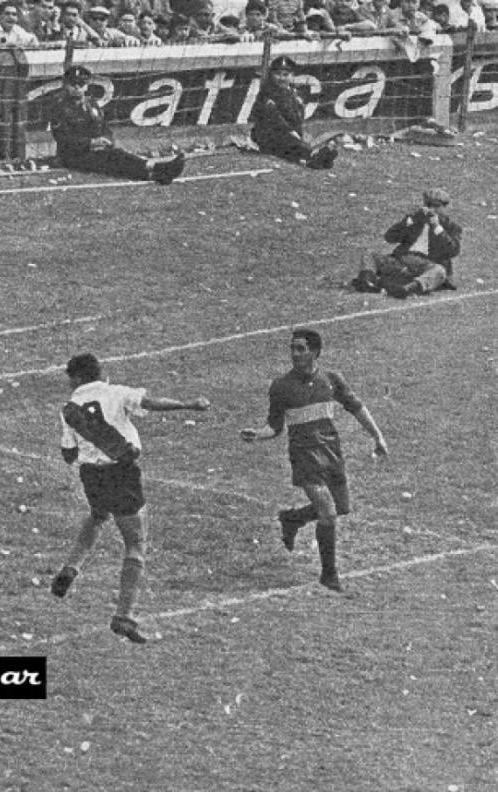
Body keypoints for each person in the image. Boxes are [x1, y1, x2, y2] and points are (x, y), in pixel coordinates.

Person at [51, 353, 210, 643]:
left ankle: (71, 567)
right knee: (135, 543)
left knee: (99, 515)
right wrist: (189, 404)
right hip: (121, 474)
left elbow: (68, 454)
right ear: (100, 373)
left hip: (91, 475)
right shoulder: (117, 392)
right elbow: (150, 403)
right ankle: (123, 616)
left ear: (76, 378)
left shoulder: (69, 409)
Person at [240, 329, 388, 593]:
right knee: (328, 513)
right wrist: (257, 435)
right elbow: (275, 427)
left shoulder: (331, 380)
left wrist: (377, 437)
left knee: (342, 507)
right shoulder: (281, 387)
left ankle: (293, 518)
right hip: (304, 456)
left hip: (331, 452)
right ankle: (329, 575)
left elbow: (356, 407)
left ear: (315, 352)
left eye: (301, 349)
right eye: (293, 349)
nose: (295, 354)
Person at [49, 65, 186, 184]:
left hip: (95, 150)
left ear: (87, 86)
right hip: (73, 156)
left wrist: (107, 140)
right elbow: (63, 139)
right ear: (66, 85)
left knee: (116, 156)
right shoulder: (60, 107)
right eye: (73, 84)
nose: (77, 88)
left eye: (81, 84)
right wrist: (92, 142)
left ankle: (157, 172)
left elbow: (104, 127)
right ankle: (158, 169)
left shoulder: (91, 103)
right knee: (114, 158)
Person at [351, 188, 462, 298]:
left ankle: (409, 288)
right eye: (429, 205)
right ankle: (367, 282)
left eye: (437, 206)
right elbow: (389, 237)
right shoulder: (415, 219)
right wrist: (411, 221)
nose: (432, 209)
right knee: (370, 254)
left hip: (426, 265)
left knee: (439, 271)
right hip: (401, 260)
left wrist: (438, 228)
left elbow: (453, 250)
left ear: (445, 208)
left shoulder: (451, 227)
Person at [250, 56, 338, 169]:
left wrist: (297, 134)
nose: (281, 78)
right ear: (271, 75)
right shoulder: (267, 93)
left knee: (294, 145)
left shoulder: (293, 92)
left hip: (288, 135)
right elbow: (275, 118)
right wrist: (293, 133)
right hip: (269, 135)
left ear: (292, 75)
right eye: (278, 74)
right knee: (289, 144)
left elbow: (297, 117)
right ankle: (314, 156)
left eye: (285, 74)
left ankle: (316, 159)